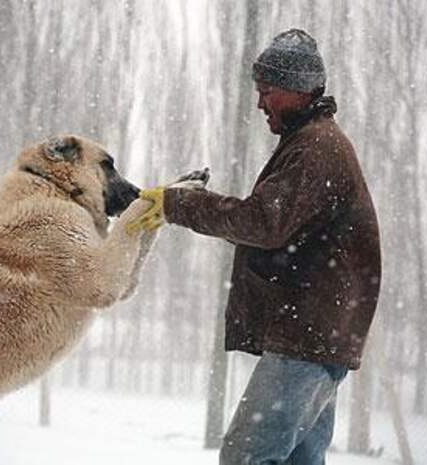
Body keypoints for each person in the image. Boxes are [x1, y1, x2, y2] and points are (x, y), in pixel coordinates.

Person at [128, 29, 381, 464]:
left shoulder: (317, 148)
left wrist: (179, 204)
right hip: (321, 338)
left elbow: (261, 223)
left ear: (299, 89)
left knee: (245, 457)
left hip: (307, 340)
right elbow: (268, 226)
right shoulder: (311, 143)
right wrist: (190, 205)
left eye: (267, 90)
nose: (261, 102)